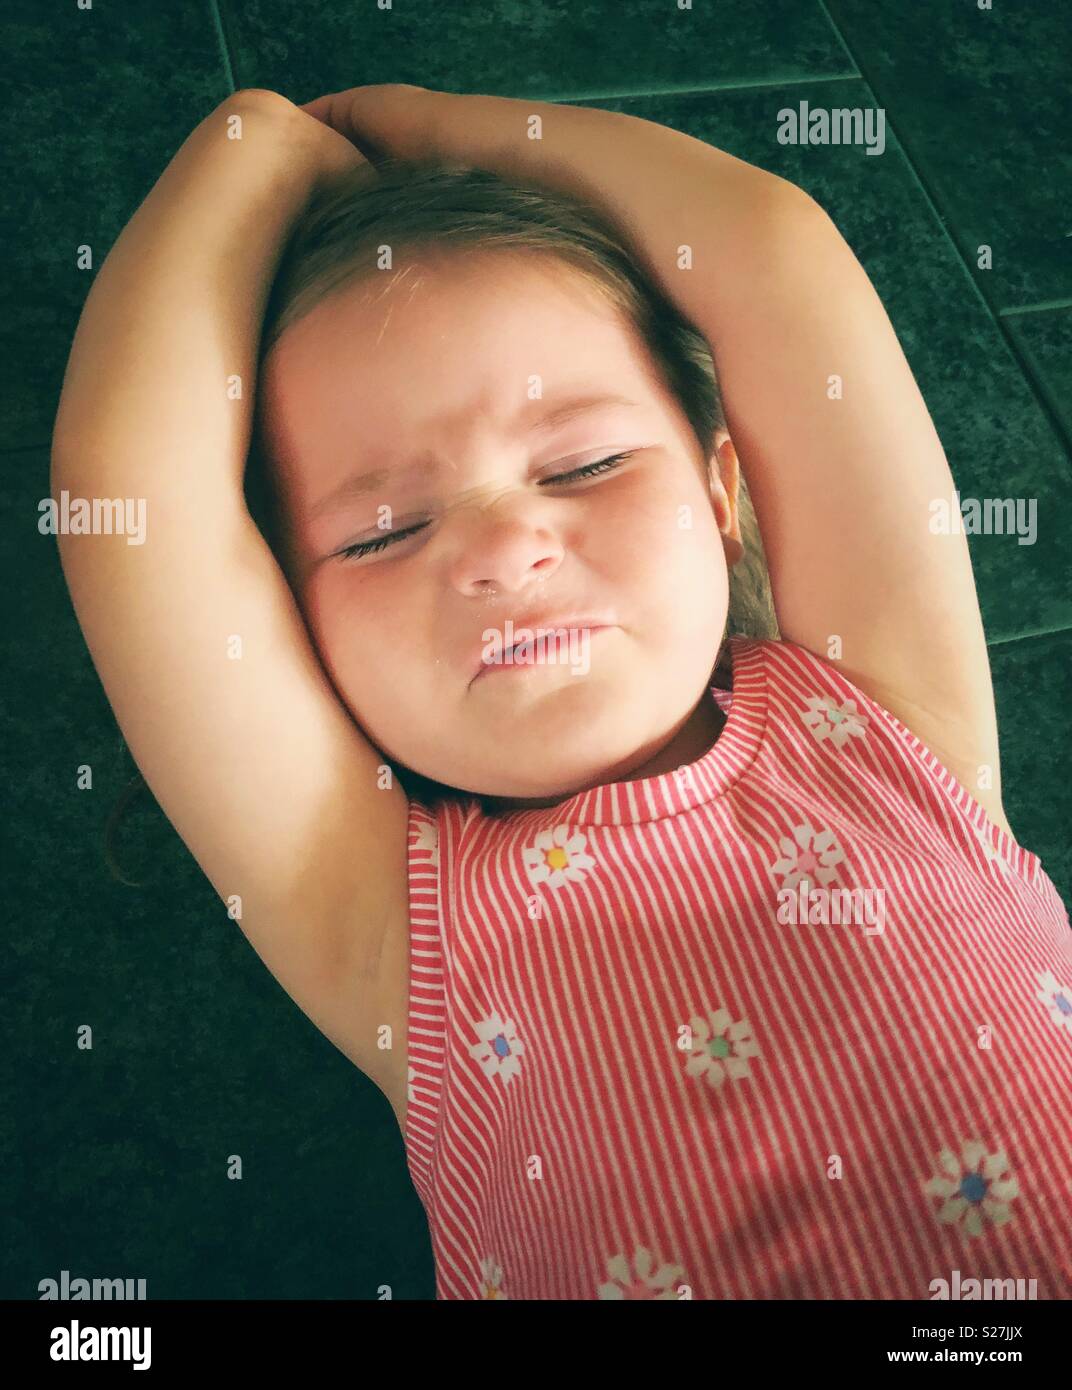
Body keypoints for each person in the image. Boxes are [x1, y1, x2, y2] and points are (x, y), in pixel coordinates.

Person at [52, 85, 1071, 1300]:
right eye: (382, 532)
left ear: (719, 493)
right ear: (292, 636)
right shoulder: (386, 924)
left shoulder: (893, 717)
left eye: (585, 463)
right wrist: (251, 141)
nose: (501, 546)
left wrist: (421, 122)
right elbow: (131, 497)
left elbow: (775, 249)